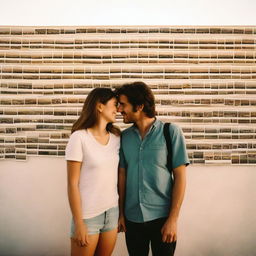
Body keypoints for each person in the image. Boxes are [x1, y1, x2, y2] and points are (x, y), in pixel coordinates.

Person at [116, 81, 189, 256]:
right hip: (132, 219)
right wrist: (121, 214)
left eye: (123, 104)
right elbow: (122, 176)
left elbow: (180, 177)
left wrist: (173, 219)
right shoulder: (124, 137)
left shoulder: (170, 132)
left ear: (139, 106)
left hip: (163, 219)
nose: (119, 110)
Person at [65, 88, 120, 256]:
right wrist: (79, 222)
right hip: (88, 215)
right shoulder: (79, 138)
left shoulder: (117, 137)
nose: (118, 109)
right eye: (115, 105)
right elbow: (72, 184)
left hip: (112, 212)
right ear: (99, 106)